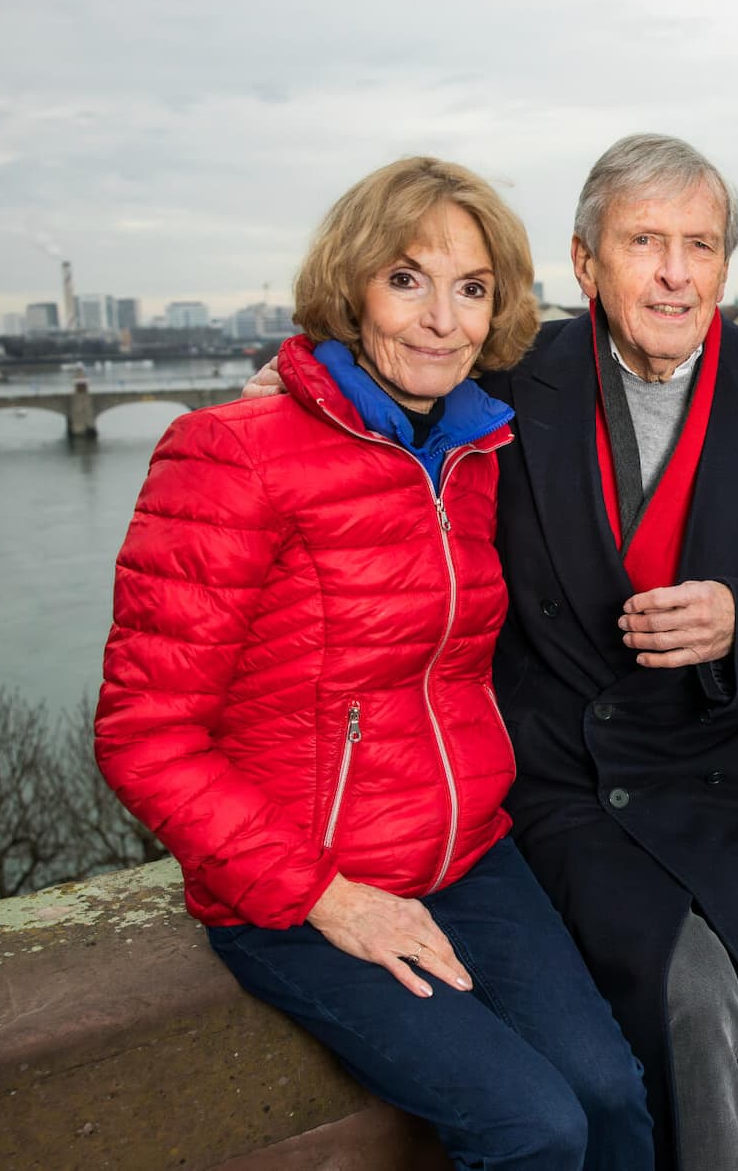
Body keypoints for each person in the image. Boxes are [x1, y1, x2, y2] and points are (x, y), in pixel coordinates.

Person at [96, 156, 653, 1170]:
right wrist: (324, 894)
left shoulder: (477, 450)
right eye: (407, 278)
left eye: (472, 288)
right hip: (300, 881)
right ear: (351, 287)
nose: (442, 318)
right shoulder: (232, 454)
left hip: (467, 853)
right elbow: (144, 734)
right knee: (536, 1126)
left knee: (613, 1097)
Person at [488, 133, 738, 1171]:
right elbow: (381, 390)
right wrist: (296, 378)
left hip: (723, 771)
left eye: (698, 245)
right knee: (694, 998)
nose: (673, 271)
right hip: (567, 777)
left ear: (724, 264)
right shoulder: (503, 383)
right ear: (584, 263)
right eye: (644, 241)